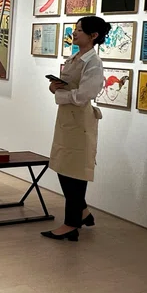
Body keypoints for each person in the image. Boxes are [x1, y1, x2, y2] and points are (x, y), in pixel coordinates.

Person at [43, 16, 111, 242]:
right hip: (66, 119)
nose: (75, 33)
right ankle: (83, 212)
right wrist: (55, 86)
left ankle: (71, 223)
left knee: (75, 172)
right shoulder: (75, 57)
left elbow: (85, 94)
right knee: (63, 165)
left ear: (93, 36)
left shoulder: (94, 63)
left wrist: (59, 94)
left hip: (80, 121)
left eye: (80, 30)